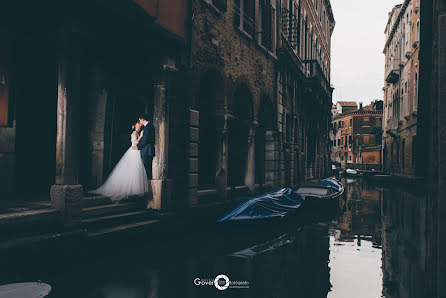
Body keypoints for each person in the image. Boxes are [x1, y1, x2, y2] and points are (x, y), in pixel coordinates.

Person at [90, 122, 148, 201]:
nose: (139, 126)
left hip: (137, 152)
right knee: (132, 170)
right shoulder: (134, 133)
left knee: (134, 171)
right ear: (135, 127)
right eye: (138, 125)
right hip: (134, 151)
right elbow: (134, 143)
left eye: (139, 125)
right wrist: (141, 137)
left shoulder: (137, 132)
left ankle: (133, 191)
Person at [137, 114, 155, 179]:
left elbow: (145, 139)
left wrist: (138, 147)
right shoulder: (148, 126)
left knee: (145, 168)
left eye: (140, 120)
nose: (139, 121)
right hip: (146, 149)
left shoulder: (148, 127)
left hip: (147, 150)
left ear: (143, 119)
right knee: (146, 167)